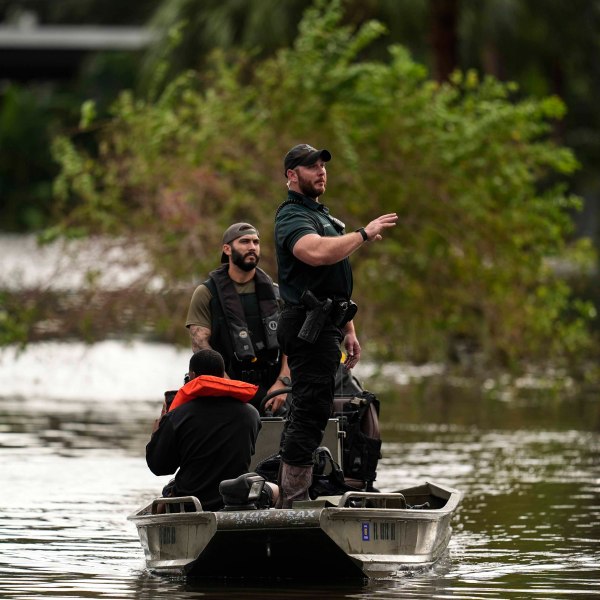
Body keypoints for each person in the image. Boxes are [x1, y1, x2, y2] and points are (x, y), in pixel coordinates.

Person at [274, 143, 398, 507]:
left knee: (312, 408)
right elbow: (315, 253)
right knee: (310, 413)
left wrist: (349, 329)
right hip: (305, 326)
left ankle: (295, 492)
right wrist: (362, 234)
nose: (321, 171)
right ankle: (293, 499)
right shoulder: (292, 216)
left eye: (323, 166)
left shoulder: (320, 214)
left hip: (327, 324)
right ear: (292, 175)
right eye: (311, 167)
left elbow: (332, 282)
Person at [146, 349, 277, 511]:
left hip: (191, 504)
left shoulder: (177, 417)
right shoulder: (251, 414)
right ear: (222, 376)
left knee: (165, 496)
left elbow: (159, 467)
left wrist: (156, 434)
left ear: (192, 376)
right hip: (236, 500)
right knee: (274, 488)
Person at [185, 222, 290, 414]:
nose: (252, 246)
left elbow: (291, 344)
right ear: (227, 249)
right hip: (224, 387)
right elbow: (200, 344)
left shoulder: (276, 293)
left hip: (273, 389)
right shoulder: (206, 293)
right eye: (244, 241)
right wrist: (227, 387)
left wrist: (283, 383)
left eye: (256, 242)